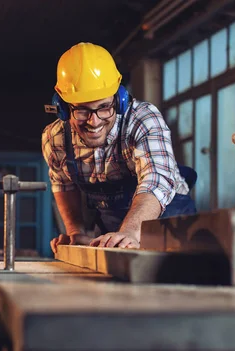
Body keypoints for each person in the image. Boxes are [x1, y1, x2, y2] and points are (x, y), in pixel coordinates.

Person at [42, 42, 197, 253]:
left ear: (120, 99)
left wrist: (131, 231)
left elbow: (156, 179)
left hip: (170, 224)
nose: (94, 122)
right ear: (62, 107)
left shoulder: (143, 119)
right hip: (115, 232)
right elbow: (63, 184)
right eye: (82, 111)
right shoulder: (56, 138)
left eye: (104, 107)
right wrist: (75, 231)